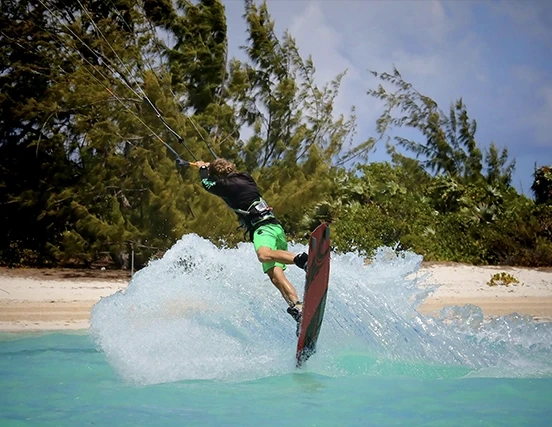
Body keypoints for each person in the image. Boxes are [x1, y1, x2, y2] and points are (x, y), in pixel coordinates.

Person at [182, 157, 307, 328]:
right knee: (276, 276)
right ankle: (298, 307)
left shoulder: (225, 186)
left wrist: (203, 168)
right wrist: (211, 166)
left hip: (263, 228)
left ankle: (303, 260)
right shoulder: (246, 177)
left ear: (218, 175)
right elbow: (224, 176)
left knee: (263, 255)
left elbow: (206, 184)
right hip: (275, 227)